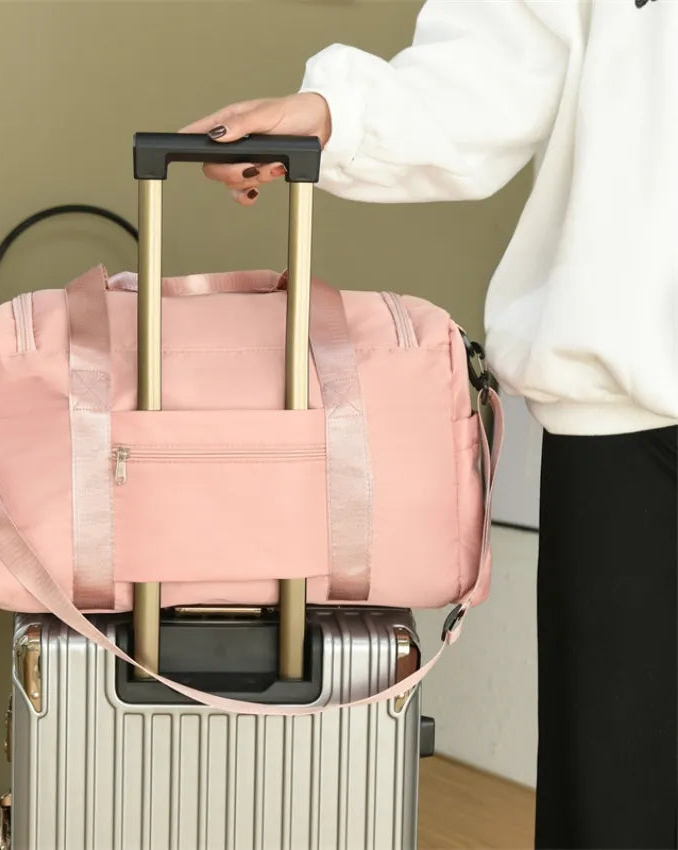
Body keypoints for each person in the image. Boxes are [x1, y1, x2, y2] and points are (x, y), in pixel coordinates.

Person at [182, 2, 678, 848]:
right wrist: (336, 115)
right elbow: (491, 71)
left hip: (624, 398)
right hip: (628, 413)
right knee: (616, 792)